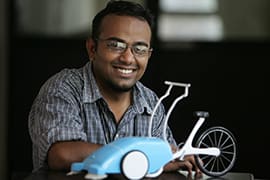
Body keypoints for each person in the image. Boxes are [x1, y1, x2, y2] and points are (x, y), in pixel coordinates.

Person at [28, 0, 201, 176]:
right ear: (92, 48)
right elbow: (62, 154)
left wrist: (175, 158)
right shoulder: (63, 89)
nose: (127, 58)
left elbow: (165, 160)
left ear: (148, 55)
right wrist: (140, 156)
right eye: (116, 45)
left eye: (139, 49)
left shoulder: (150, 102)